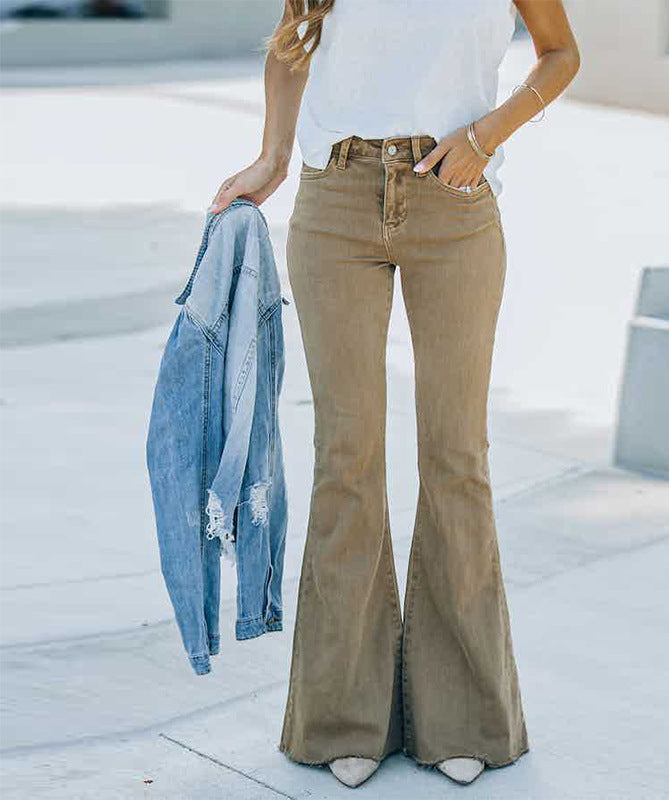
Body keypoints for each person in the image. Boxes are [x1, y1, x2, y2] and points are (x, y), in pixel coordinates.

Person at [209, 0, 579, 789]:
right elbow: (292, 42)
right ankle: (345, 717)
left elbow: (559, 54)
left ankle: (465, 716)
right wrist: (272, 156)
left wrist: (487, 135)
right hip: (335, 199)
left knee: (456, 457)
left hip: (457, 201)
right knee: (346, 455)